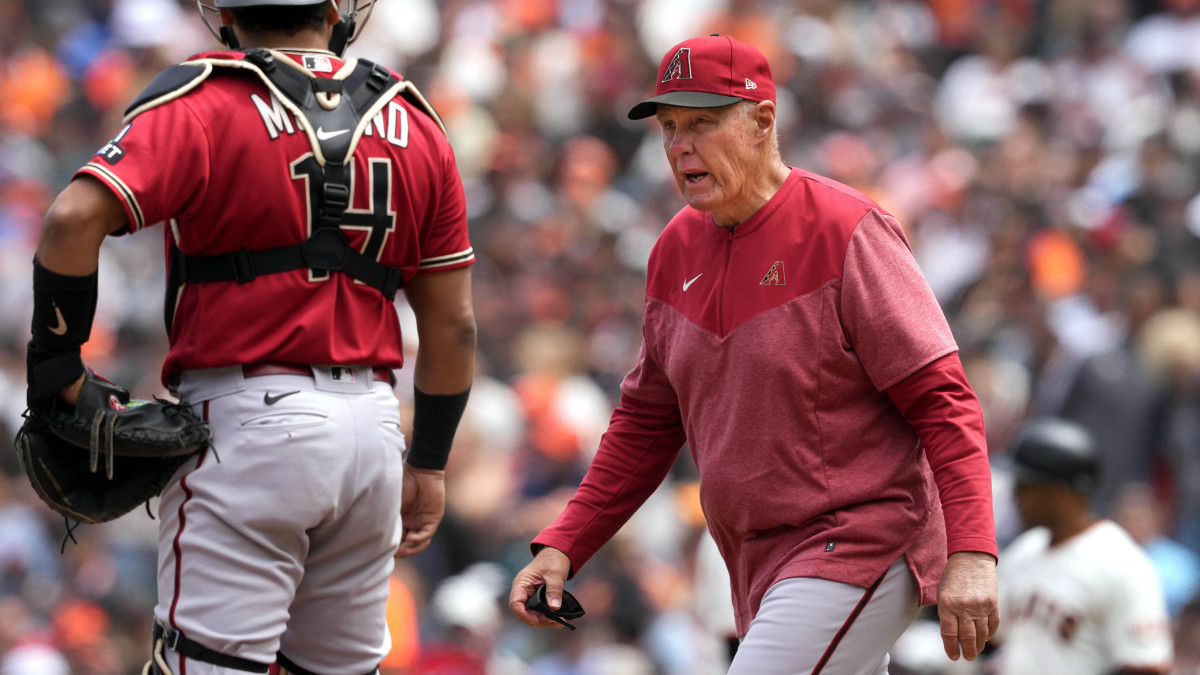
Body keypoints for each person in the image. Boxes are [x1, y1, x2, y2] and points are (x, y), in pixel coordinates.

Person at [509, 34, 999, 673]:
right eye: (669, 127)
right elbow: (646, 423)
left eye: (703, 124)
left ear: (763, 120)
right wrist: (565, 545)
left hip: (858, 537)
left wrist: (973, 551)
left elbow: (944, 402)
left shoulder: (846, 229)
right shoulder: (674, 248)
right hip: (755, 556)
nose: (680, 145)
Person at [25, 1, 476, 673]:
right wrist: (431, 463)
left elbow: (69, 220)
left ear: (225, 9)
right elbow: (454, 324)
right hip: (374, 434)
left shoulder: (207, 96)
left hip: (249, 422)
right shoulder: (413, 117)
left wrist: (55, 373)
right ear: (332, 7)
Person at [994, 417, 1173, 674]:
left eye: (1024, 486)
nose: (1014, 496)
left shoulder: (1124, 564)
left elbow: (1147, 666)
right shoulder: (1025, 549)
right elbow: (994, 640)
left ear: (1056, 493)